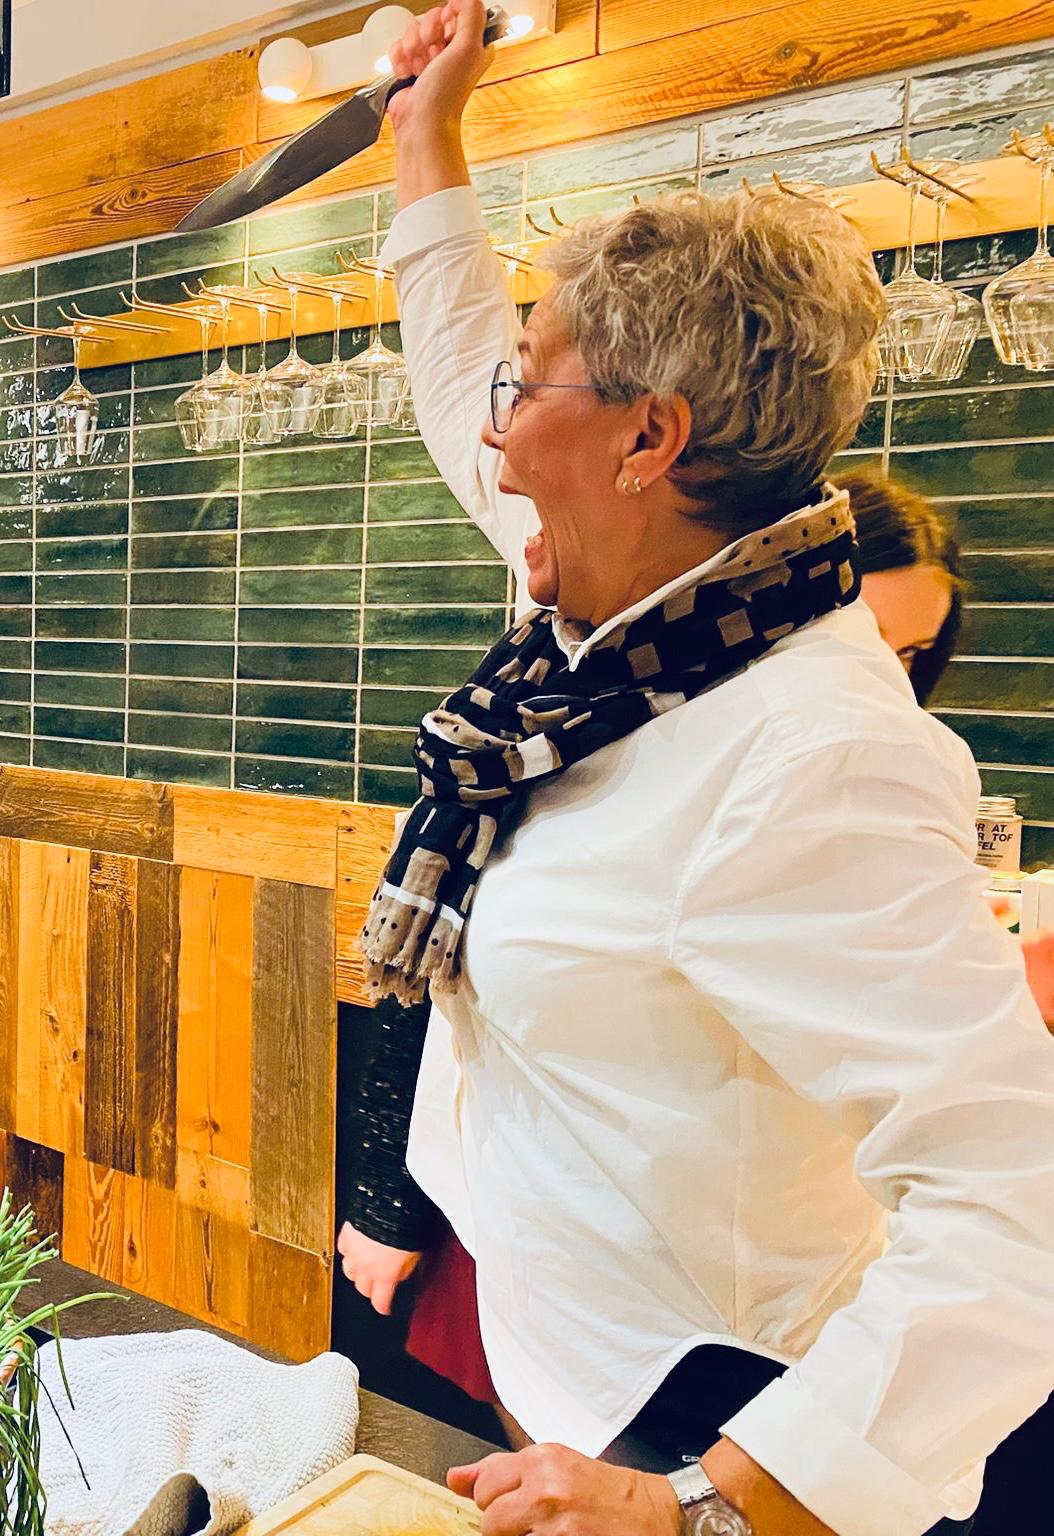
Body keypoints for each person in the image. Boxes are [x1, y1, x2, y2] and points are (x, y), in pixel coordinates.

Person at [343, 7, 1054, 1534]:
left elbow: (1015, 1202)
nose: (493, 440)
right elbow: (457, 373)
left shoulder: (814, 753)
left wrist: (702, 1504)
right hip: (568, 1373)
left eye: (526, 391)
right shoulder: (615, 623)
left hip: (702, 1417)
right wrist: (425, 137)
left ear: (646, 440)